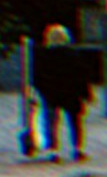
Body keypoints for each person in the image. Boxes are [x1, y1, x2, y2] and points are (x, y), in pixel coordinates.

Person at [29, 21, 95, 163]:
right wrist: (86, 94)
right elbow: (82, 75)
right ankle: (78, 150)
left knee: (52, 122)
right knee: (75, 122)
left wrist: (39, 92)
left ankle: (54, 151)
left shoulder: (44, 56)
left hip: (52, 94)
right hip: (71, 94)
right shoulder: (74, 55)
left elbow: (37, 77)